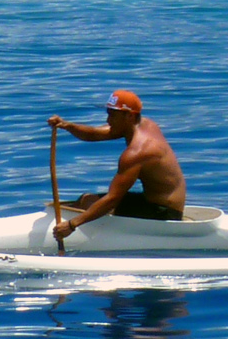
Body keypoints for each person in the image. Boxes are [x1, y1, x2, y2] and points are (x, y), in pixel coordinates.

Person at [48, 90, 186, 242]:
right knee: (86, 199)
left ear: (129, 116)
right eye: (108, 114)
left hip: (164, 213)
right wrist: (67, 126)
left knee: (91, 203)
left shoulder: (138, 152)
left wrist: (72, 225)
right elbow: (95, 134)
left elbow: (112, 198)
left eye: (112, 115)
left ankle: (65, 231)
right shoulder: (142, 124)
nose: (108, 120)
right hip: (151, 201)